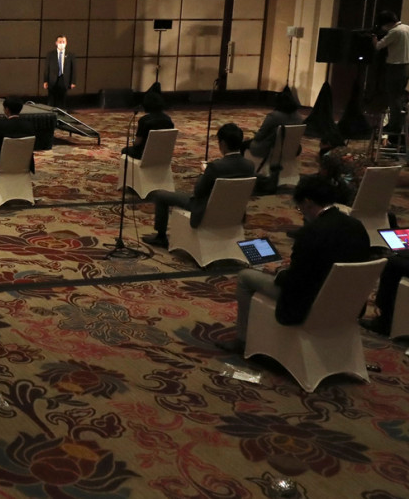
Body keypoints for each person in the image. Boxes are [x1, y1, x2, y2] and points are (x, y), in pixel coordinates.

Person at [217, 175, 371, 352]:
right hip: (349, 302)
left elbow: (295, 282)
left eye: (299, 208)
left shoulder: (310, 233)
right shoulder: (356, 226)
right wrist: (297, 262)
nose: (301, 212)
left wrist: (278, 271)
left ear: (307, 202)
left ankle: (242, 340)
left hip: (308, 302)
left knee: (245, 277)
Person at [142, 123, 254, 248]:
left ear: (222, 144)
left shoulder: (215, 167)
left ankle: (161, 237)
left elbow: (198, 192)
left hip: (205, 210)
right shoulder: (249, 165)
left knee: (160, 195)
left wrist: (203, 172)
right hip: (234, 213)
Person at [242, 87, 302, 165]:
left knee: (243, 144)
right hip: (292, 148)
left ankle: (242, 167)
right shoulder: (298, 116)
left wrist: (254, 136)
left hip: (271, 148)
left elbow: (260, 136)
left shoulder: (274, 116)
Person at [373, 10, 409, 133]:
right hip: (405, 67)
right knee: (399, 96)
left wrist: (373, 38)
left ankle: (394, 127)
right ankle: (398, 124)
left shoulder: (394, 31)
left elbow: (378, 46)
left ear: (387, 23)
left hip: (394, 67)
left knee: (393, 98)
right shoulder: (407, 28)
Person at [123, 91, 173, 159]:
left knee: (125, 150)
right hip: (163, 153)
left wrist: (133, 142)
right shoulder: (168, 119)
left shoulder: (144, 120)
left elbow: (138, 142)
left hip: (144, 154)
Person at [43, 35, 76, 110]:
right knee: (51, 100)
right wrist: (45, 81)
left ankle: (62, 115)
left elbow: (73, 69)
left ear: (66, 43)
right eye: (60, 42)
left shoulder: (70, 55)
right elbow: (46, 68)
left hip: (64, 80)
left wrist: (73, 82)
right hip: (52, 80)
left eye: (63, 42)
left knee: (62, 100)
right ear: (56, 43)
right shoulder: (50, 54)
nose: (62, 43)